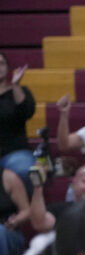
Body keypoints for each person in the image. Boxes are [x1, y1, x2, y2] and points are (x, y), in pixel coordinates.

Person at [0, 51, 36, 194]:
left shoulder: (20, 91)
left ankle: (26, 211)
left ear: (8, 68)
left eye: (1, 63)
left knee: (25, 170)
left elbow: (26, 112)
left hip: (16, 152)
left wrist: (16, 85)